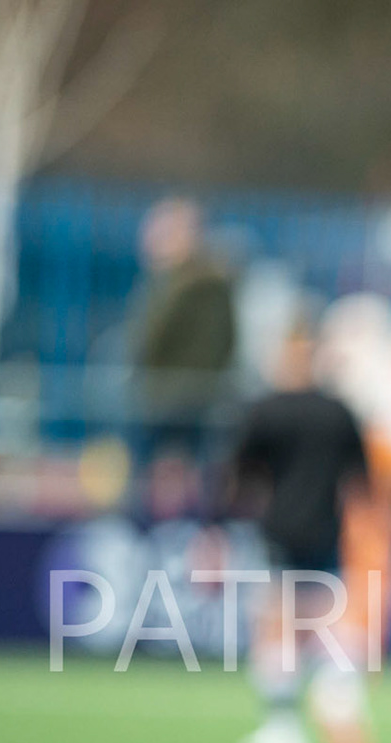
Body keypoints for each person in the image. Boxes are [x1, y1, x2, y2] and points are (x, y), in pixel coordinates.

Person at [225, 314, 373, 743]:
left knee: (276, 628)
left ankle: (282, 729)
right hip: (327, 534)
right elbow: (364, 481)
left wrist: (217, 527)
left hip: (280, 532)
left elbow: (239, 476)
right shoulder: (340, 412)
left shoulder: (266, 410)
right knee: (326, 627)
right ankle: (338, 698)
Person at [132, 196, 238, 513]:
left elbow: (156, 341)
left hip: (179, 398)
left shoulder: (197, 286)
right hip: (172, 395)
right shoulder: (179, 283)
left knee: (178, 476)